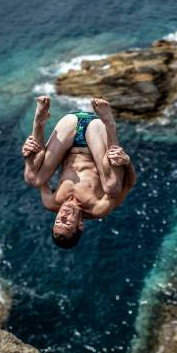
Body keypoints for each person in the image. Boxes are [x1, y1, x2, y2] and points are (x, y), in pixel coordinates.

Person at [22, 95, 136, 248]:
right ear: (80, 225)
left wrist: (29, 157)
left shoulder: (51, 202)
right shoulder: (98, 208)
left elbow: (39, 167)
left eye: (58, 221)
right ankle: (110, 125)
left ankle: (38, 122)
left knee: (33, 179)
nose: (63, 216)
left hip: (69, 127)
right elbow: (128, 184)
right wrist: (127, 162)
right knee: (112, 187)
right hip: (96, 131)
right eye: (67, 223)